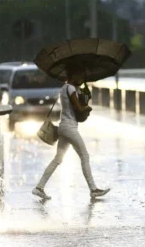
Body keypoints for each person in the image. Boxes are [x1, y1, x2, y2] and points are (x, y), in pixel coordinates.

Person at [32, 62, 110, 200]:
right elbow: (80, 109)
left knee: (58, 159)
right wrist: (88, 108)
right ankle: (93, 189)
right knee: (84, 156)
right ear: (73, 75)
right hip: (69, 128)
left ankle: (39, 187)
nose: (82, 77)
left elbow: (79, 100)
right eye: (80, 74)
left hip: (64, 127)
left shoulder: (64, 88)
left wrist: (84, 91)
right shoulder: (71, 89)